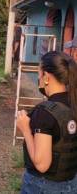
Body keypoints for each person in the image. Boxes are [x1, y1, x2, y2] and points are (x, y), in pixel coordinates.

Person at [17, 51, 77, 193]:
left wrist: (25, 129)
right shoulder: (73, 103)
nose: (38, 78)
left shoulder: (45, 112)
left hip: (43, 186)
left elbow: (42, 164)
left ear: (47, 77)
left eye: (39, 73)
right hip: (71, 183)